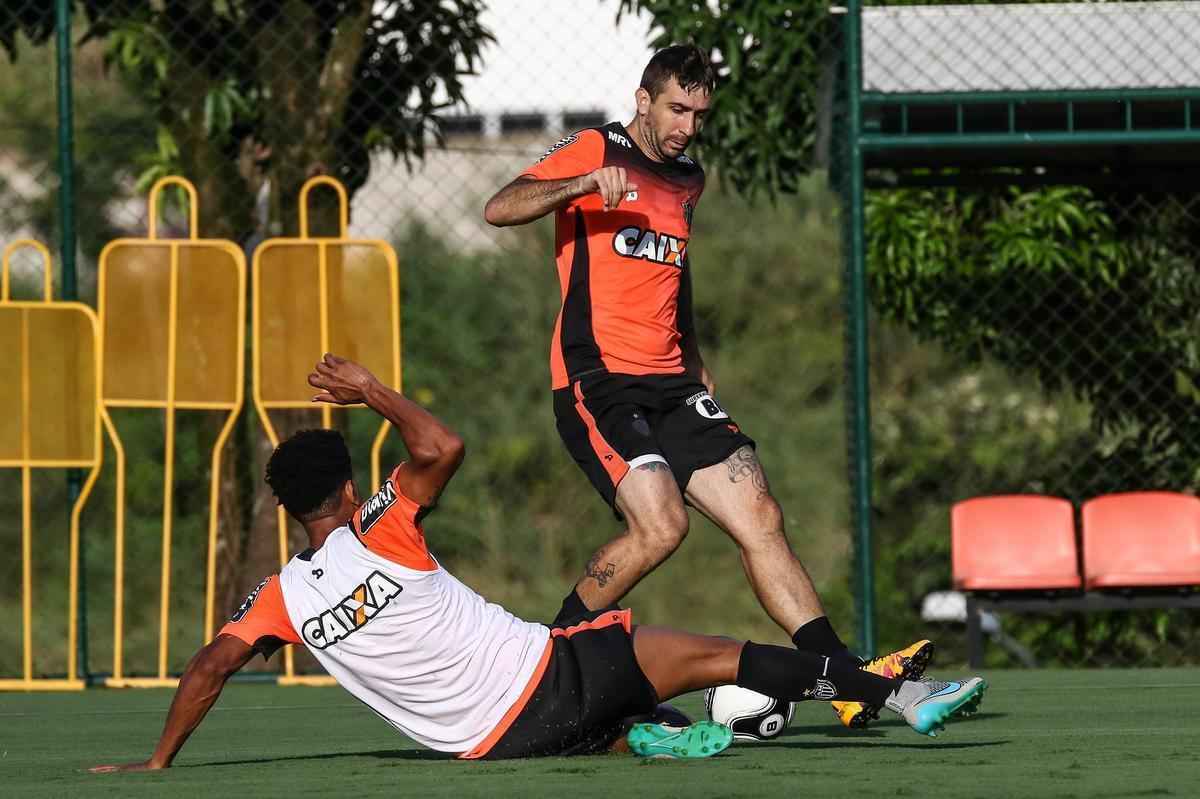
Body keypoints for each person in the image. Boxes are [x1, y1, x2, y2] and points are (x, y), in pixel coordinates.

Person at [90, 355, 985, 772]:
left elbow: (209, 666)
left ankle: (649, 733)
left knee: (617, 699)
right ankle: (885, 692)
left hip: (489, 745)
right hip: (549, 674)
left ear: (288, 509)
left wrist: (160, 763)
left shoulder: (280, 599)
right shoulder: (381, 524)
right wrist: (372, 391)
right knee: (712, 649)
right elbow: (443, 442)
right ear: (351, 483)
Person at [482, 45, 932, 728]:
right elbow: (500, 206)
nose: (688, 125)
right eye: (676, 108)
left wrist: (692, 354)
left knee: (761, 514)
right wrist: (576, 185)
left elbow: (674, 266)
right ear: (643, 99)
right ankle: (545, 666)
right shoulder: (593, 149)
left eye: (699, 112)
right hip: (598, 381)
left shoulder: (689, 176)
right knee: (663, 525)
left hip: (671, 381)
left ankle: (845, 680)